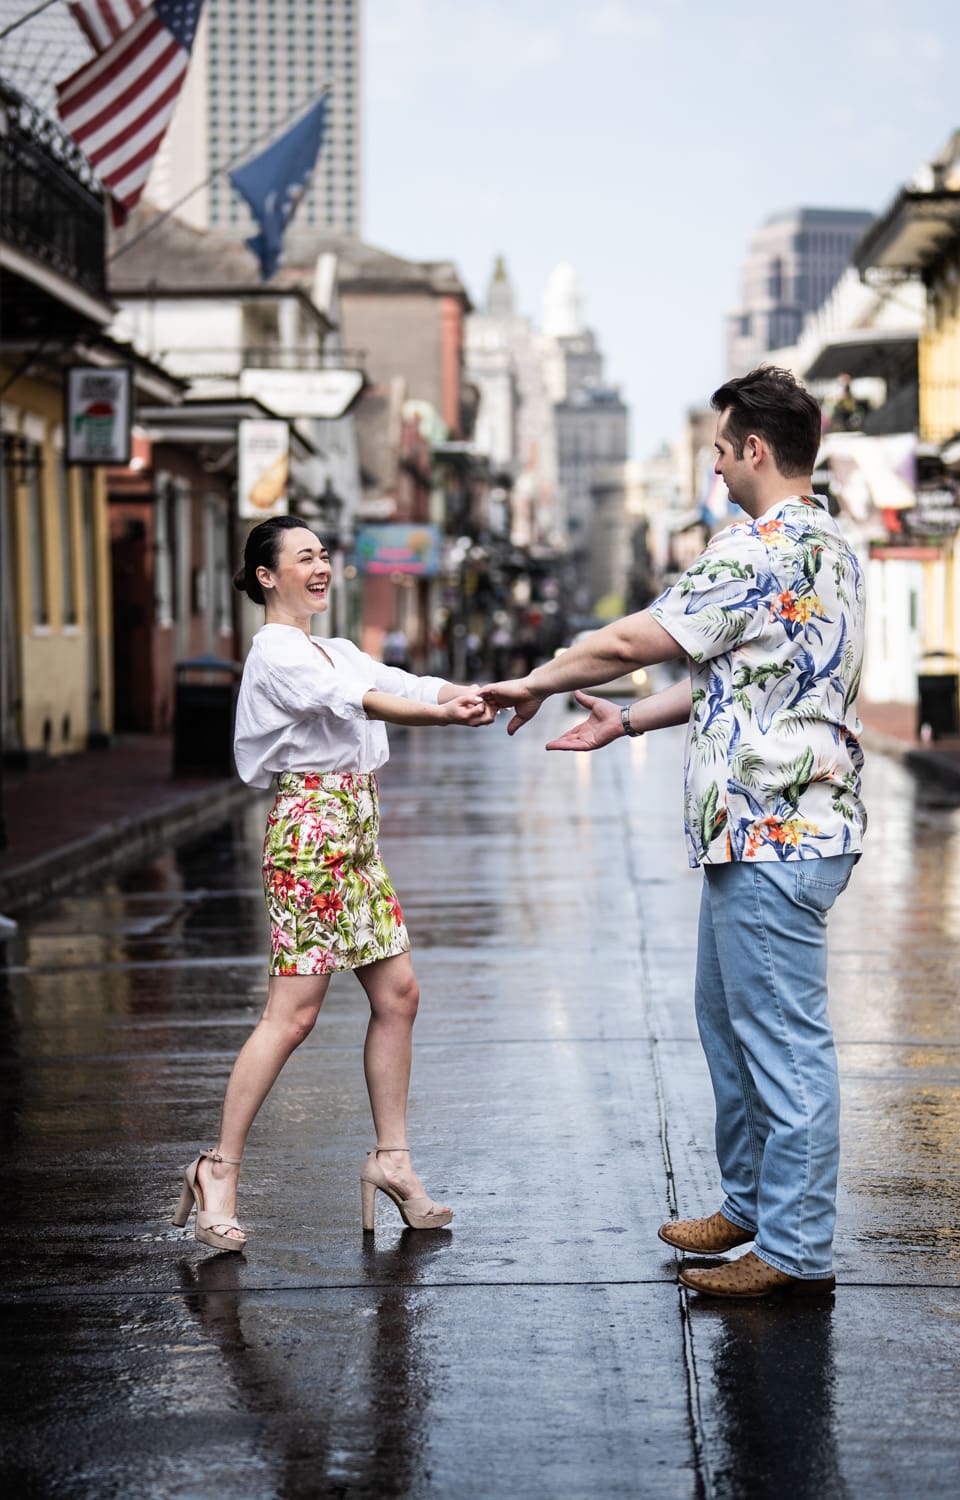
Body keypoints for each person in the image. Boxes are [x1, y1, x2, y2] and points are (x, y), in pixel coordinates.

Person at [484, 367, 866, 1298]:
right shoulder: (830, 547)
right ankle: (748, 1204)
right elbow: (729, 676)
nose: (715, 461)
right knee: (729, 1025)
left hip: (777, 835)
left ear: (756, 452)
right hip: (765, 832)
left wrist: (534, 680)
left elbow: (629, 642)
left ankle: (793, 1248)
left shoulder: (756, 550)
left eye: (722, 446)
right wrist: (626, 721)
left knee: (780, 1044)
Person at [173, 515, 495, 1252]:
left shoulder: (333, 647)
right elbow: (367, 702)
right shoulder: (277, 653)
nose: (321, 568)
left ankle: (392, 1161)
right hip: (310, 835)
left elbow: (400, 679)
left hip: (353, 833)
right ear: (265, 575)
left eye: (325, 555)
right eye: (304, 557)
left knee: (399, 995)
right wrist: (443, 717)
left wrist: (482, 692)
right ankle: (216, 1170)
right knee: (293, 1015)